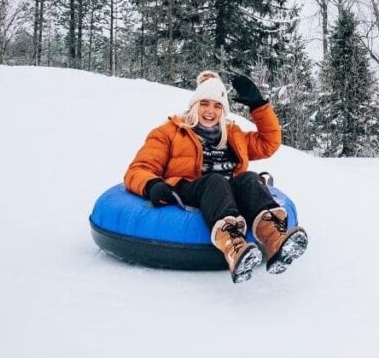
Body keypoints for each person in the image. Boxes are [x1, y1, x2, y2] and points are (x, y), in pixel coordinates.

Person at [124, 70, 308, 283]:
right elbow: (139, 168)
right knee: (215, 180)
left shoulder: (233, 134)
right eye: (204, 103)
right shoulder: (169, 133)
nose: (210, 111)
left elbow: (269, 143)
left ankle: (275, 239)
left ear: (223, 111)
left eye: (217, 106)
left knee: (248, 178)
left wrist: (259, 106)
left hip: (227, 193)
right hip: (191, 189)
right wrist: (151, 184)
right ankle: (232, 245)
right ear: (195, 105)